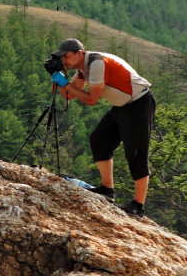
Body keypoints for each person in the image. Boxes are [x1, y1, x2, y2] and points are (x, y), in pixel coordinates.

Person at [49, 39, 153, 215]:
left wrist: (64, 83)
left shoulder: (97, 63)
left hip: (139, 104)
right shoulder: (83, 68)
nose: (64, 60)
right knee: (99, 140)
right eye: (62, 58)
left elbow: (91, 100)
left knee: (136, 153)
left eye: (66, 56)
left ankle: (138, 205)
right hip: (123, 106)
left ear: (79, 53)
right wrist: (59, 79)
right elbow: (69, 95)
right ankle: (107, 190)